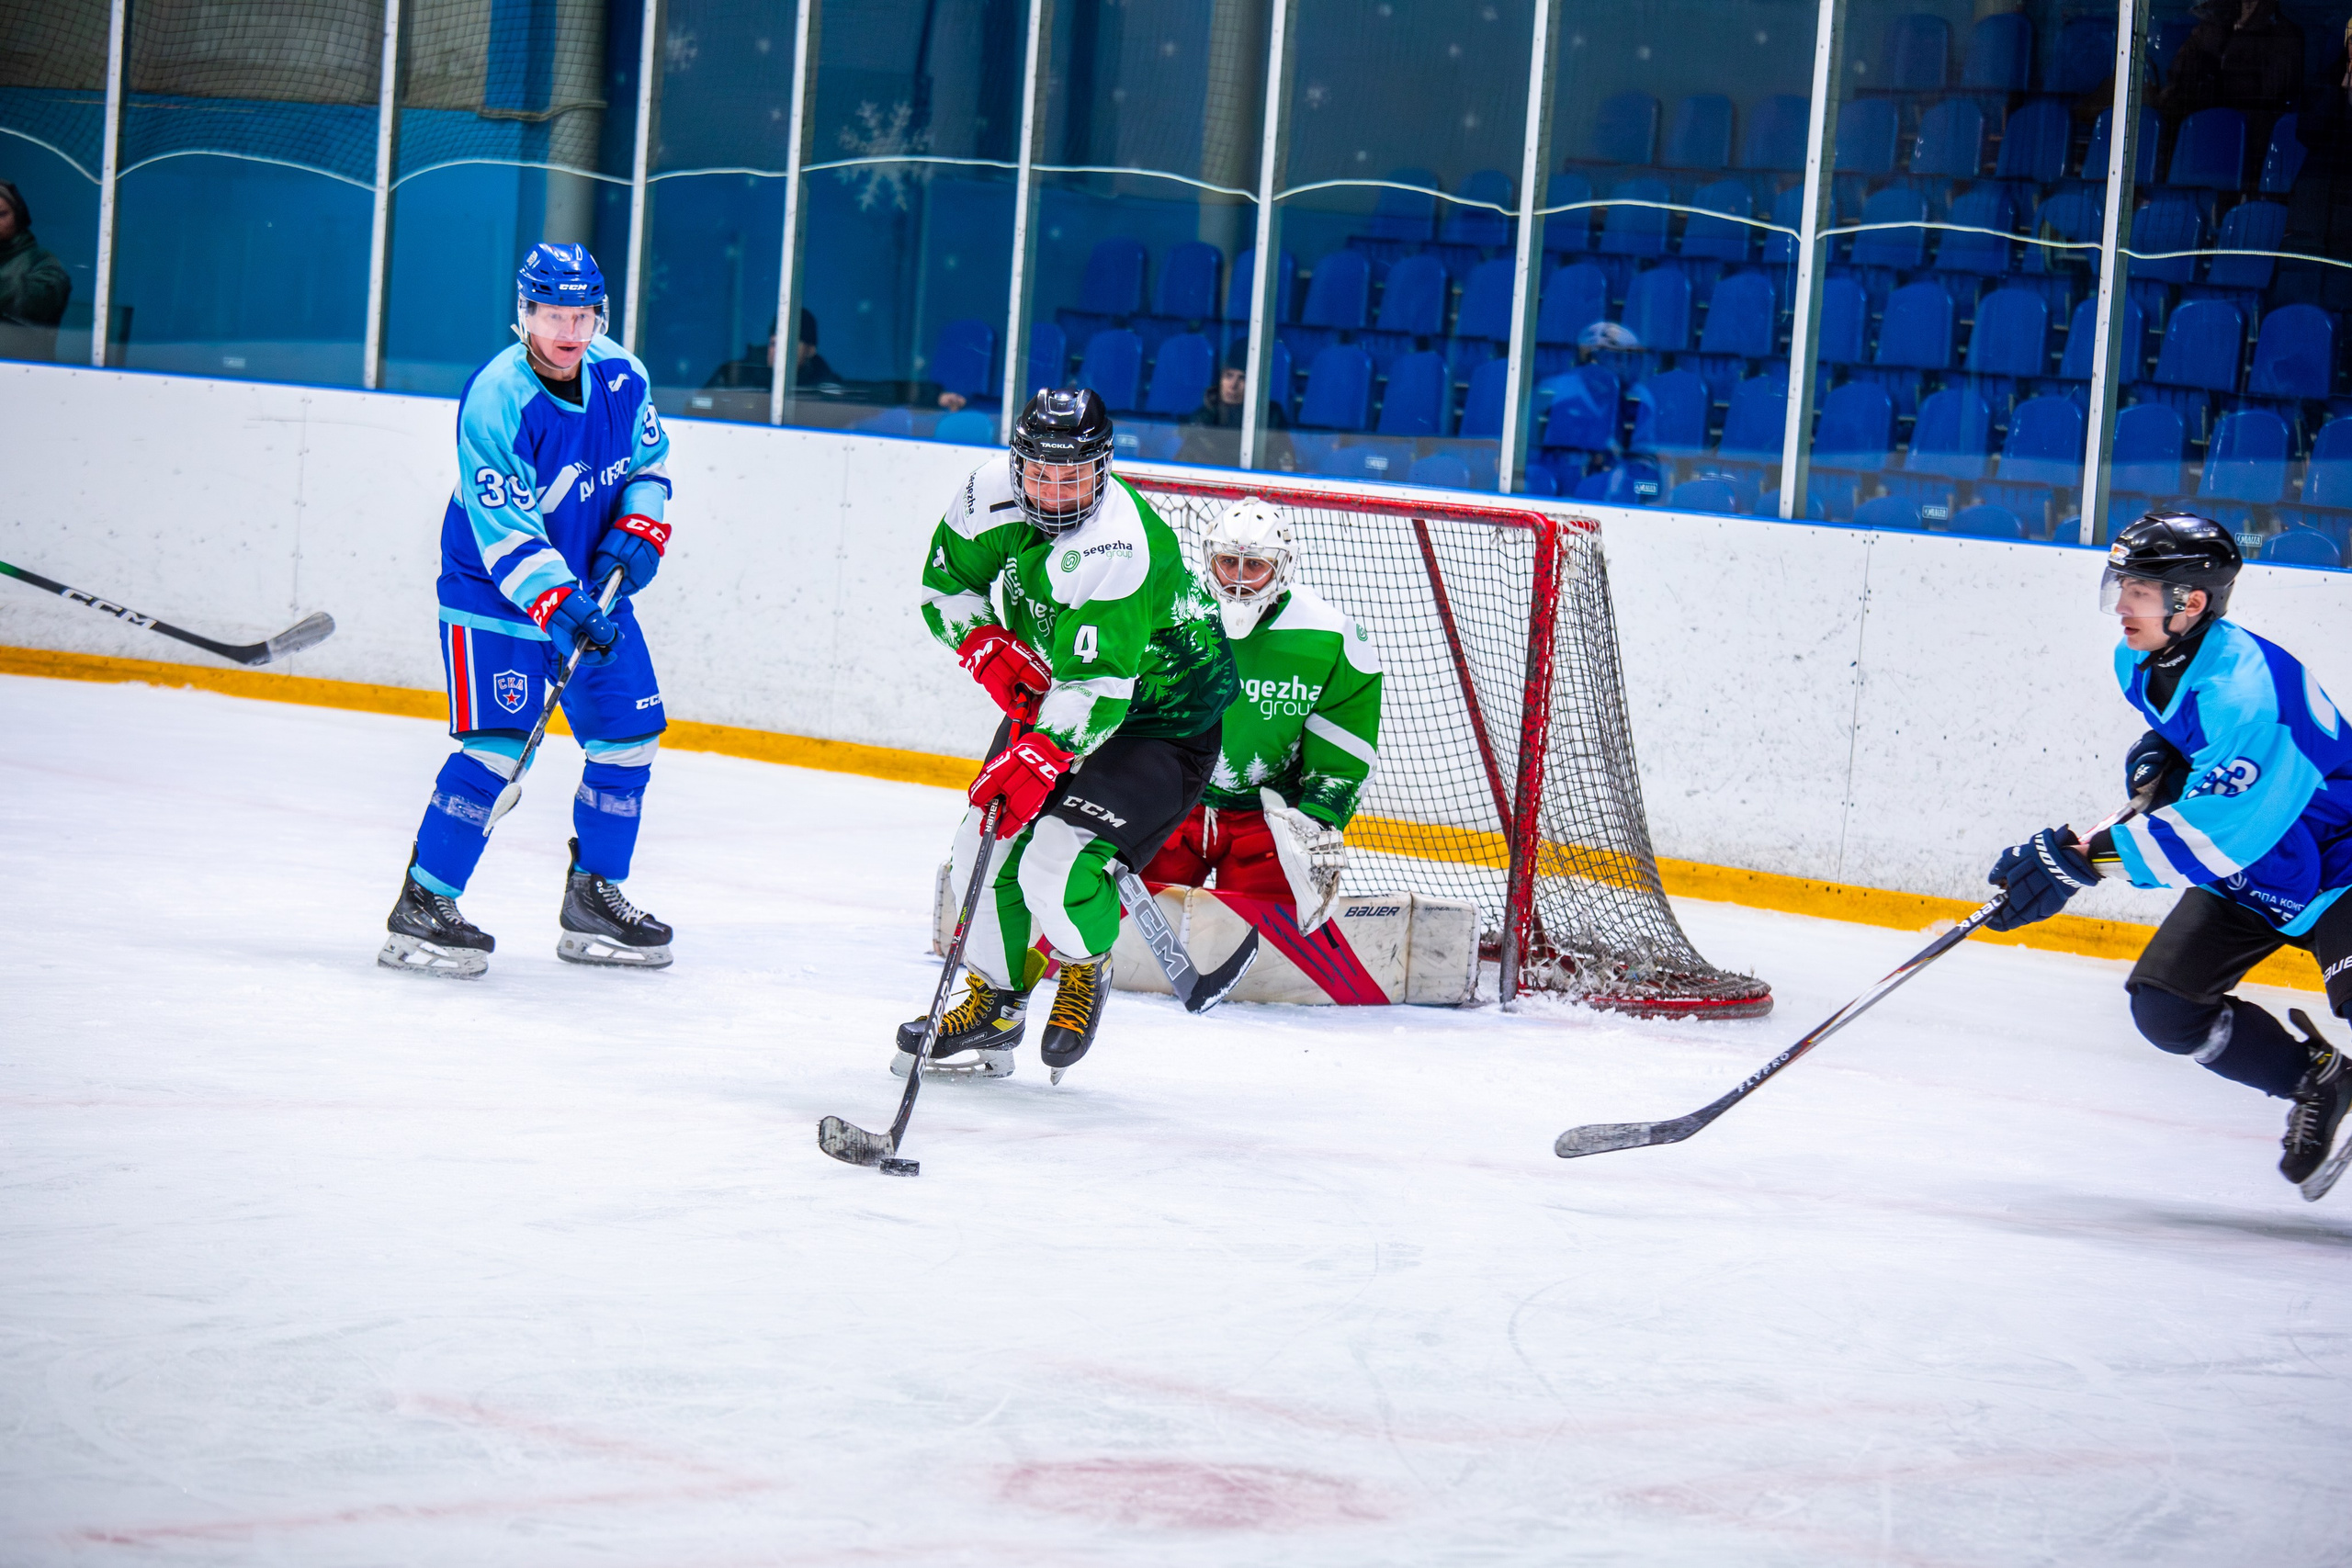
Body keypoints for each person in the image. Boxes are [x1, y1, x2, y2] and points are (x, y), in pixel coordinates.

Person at [1984, 512, 2352, 1192]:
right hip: (2259, 872)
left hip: (2338, 863)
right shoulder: (2142, 657)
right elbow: (2197, 755)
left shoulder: (2248, 695)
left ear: (2192, 602)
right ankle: (2318, 1080)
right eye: (2121, 583)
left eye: (2140, 590)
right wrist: (2162, 757)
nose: (2121, 604)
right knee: (2166, 1007)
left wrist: (2083, 857)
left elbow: (2221, 828)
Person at [896, 388, 1238, 1081]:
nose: (1054, 490)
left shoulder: (1120, 543)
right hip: (1059, 693)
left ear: (1103, 469)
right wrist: (986, 646)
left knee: (1052, 857)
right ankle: (996, 997)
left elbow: (1100, 693)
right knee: (978, 848)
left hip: (1159, 722)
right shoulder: (985, 497)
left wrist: (1038, 758)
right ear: (1018, 463)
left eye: (1073, 475)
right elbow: (944, 590)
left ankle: (1087, 964)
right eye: (1041, 472)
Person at [378, 243, 678, 980]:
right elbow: (505, 526)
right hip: (497, 594)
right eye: (552, 314)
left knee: (628, 735)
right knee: (499, 749)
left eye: (582, 314)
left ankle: (593, 896)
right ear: (525, 315)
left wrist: (638, 532)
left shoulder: (622, 372)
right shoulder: (496, 396)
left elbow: (647, 467)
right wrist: (559, 600)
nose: (569, 330)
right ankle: (424, 901)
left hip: (590, 591)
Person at [1140, 498, 1382, 933]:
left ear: (1282, 569)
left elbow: (1345, 751)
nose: (1237, 579)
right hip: (1167, 808)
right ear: (1209, 560)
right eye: (1228, 562)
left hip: (1267, 826)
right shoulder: (1166, 614)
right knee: (1118, 919)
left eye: (1254, 566)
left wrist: (1316, 821)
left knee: (1276, 936)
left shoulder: (1329, 637)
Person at [0, 179, 71, 363]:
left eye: (1, 214)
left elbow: (40, 302)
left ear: (18, 217)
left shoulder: (42, 261)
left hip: (25, 373)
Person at [702, 307, 840, 391]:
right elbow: (697, 410)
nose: (779, 352)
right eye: (774, 344)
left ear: (810, 350)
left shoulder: (827, 388)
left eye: (789, 345)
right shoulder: (735, 375)